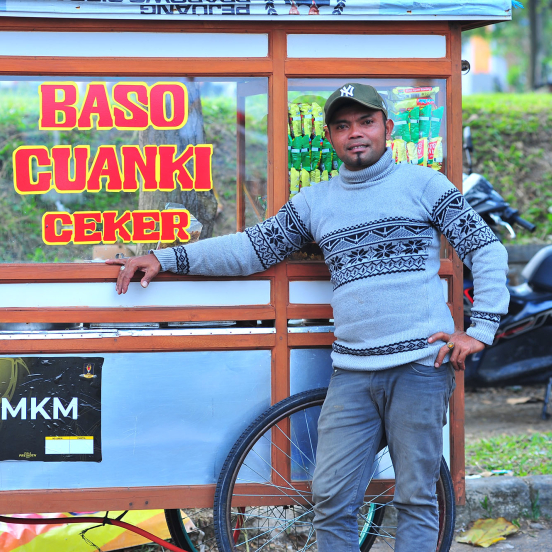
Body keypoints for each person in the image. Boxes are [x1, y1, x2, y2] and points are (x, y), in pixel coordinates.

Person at [107, 83, 508, 551]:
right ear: (330, 137)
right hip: (353, 373)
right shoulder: (316, 202)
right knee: (332, 500)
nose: (355, 134)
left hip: (421, 366)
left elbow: (486, 248)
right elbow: (252, 249)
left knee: (417, 498)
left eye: (365, 122)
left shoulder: (424, 185)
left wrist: (480, 329)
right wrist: (167, 258)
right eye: (342, 126)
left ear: (387, 128)